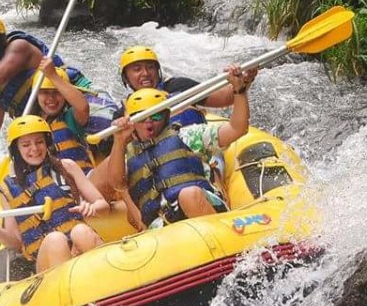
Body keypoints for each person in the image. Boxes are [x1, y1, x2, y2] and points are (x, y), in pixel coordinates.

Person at [0, 13, 115, 150]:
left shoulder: (19, 47)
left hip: (79, 104)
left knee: (104, 133)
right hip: (50, 122)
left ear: (2, 39)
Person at [107, 65, 257, 228]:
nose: (149, 122)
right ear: (133, 122)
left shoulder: (187, 136)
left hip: (199, 205)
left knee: (188, 195)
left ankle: (224, 241)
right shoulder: (129, 154)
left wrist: (239, 91)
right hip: (163, 226)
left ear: (166, 117)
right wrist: (119, 141)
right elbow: (117, 183)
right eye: (142, 118)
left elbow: (237, 128)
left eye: (156, 115)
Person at [0, 115, 107, 273]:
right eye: (26, 145)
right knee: (56, 240)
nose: (34, 149)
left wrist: (92, 208)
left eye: (39, 142)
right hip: (46, 261)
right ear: (16, 149)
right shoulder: (7, 189)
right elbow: (16, 243)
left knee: (81, 231)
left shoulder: (67, 167)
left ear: (47, 143)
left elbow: (103, 205)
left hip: (77, 248)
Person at [116, 45, 236, 126]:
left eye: (150, 67)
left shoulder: (179, 87)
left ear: (158, 71)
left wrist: (243, 81)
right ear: (126, 78)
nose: (146, 73)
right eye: (137, 69)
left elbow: (225, 98)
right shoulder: (122, 114)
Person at [32, 57, 95, 174]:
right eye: (45, 92)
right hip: (52, 187)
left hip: (82, 182)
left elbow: (83, 107)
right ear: (36, 95)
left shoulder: (71, 118)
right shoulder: (32, 124)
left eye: (57, 92)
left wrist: (53, 76)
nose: (51, 98)